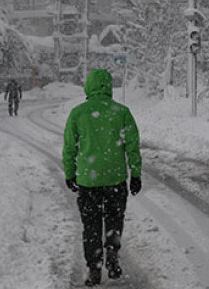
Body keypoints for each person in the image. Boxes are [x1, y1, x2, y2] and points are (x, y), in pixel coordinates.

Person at [63, 68, 142, 287]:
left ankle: (94, 269)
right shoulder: (122, 112)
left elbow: (69, 147)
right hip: (115, 179)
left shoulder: (78, 113)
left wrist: (70, 173)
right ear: (109, 86)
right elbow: (133, 146)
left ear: (88, 86)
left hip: (88, 181)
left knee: (91, 225)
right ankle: (112, 252)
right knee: (114, 219)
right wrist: (135, 174)